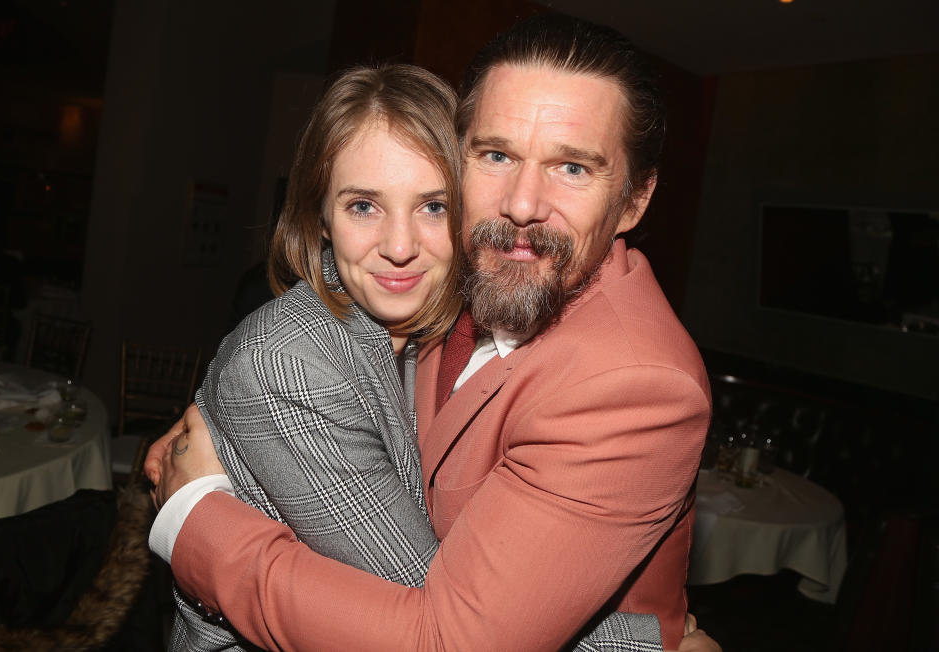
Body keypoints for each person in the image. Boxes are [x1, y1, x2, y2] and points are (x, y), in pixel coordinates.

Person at [148, 15, 716, 652]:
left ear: (635, 201)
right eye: (497, 155)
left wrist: (197, 516)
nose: (523, 203)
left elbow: (451, 620)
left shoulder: (632, 384)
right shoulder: (437, 299)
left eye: (572, 168)